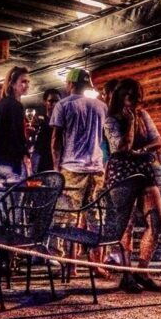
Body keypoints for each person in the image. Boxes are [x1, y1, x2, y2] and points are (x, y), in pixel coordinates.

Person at [104, 78, 161, 293]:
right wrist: (130, 122)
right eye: (127, 94)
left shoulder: (143, 115)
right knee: (125, 224)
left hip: (144, 170)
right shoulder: (111, 120)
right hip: (121, 172)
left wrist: (141, 151)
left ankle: (142, 271)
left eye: (135, 94)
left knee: (157, 221)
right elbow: (122, 148)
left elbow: (158, 140)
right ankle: (126, 274)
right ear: (119, 96)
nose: (132, 98)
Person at [50, 68, 108, 278]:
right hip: (96, 168)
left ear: (70, 84)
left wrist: (56, 167)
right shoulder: (102, 106)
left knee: (66, 219)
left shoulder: (63, 105)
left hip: (72, 168)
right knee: (95, 218)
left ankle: (69, 266)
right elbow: (103, 138)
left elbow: (56, 140)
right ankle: (96, 265)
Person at [0, 67, 31, 196]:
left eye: (28, 82)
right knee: (15, 204)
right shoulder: (16, 106)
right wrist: (25, 154)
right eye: (23, 81)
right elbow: (16, 135)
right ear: (12, 84)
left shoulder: (0, 105)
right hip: (10, 163)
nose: (26, 85)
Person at [32, 88, 62, 173]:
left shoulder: (63, 123)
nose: (54, 104)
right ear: (45, 102)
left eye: (57, 101)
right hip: (42, 163)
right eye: (51, 101)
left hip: (58, 162)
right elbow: (33, 144)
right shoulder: (39, 121)